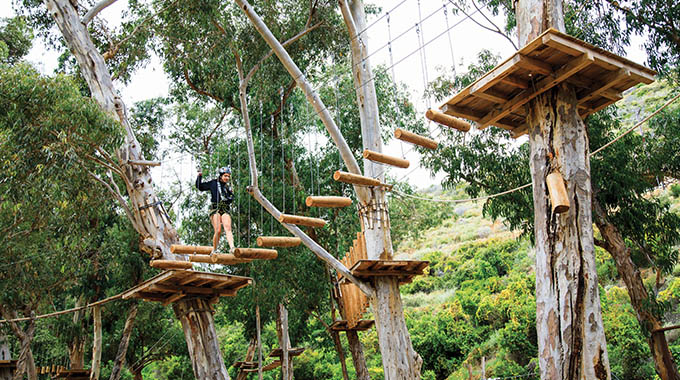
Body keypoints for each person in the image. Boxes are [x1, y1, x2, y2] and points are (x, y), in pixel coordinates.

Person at [196, 166, 236, 253]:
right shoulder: (213, 183)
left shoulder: (227, 188)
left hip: (225, 209)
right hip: (215, 209)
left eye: (228, 176)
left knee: (228, 228)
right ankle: (214, 249)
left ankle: (232, 248)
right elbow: (200, 187)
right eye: (225, 176)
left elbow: (231, 198)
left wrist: (230, 197)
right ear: (221, 175)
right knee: (218, 230)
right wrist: (199, 175)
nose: (227, 178)